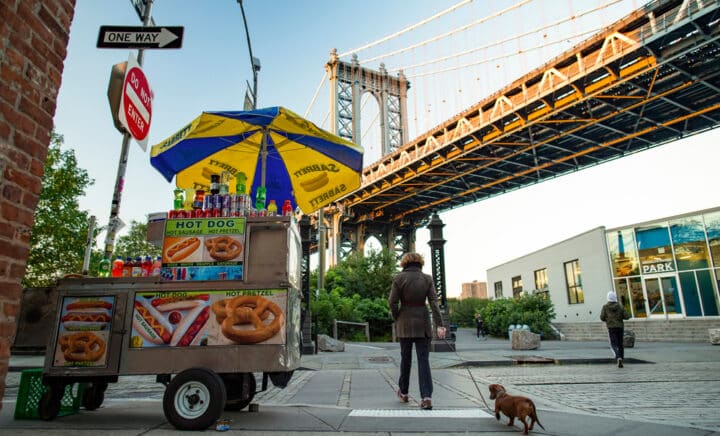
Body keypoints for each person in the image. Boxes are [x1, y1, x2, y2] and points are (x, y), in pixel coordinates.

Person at [388, 252, 445, 410]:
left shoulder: (398, 278)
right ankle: (426, 397)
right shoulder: (427, 278)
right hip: (423, 323)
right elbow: (434, 302)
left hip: (404, 323)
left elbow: (392, 301)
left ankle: (404, 392)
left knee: (405, 359)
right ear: (420, 263)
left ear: (404, 263)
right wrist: (440, 324)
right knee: (423, 360)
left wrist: (396, 316)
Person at [600, 291, 630, 368]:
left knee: (613, 344)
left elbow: (602, 317)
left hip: (611, 327)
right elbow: (626, 316)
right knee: (620, 344)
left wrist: (608, 319)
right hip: (620, 327)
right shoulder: (620, 306)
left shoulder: (605, 307)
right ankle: (621, 358)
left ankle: (618, 357)